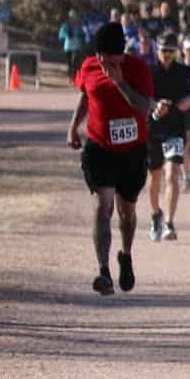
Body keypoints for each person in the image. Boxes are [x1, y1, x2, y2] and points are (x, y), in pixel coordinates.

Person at [67, 21, 155, 295]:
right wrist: (73, 127)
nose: (104, 61)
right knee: (101, 208)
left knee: (126, 213)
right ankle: (103, 272)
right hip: (99, 147)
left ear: (122, 53)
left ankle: (125, 256)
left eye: (110, 56)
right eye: (101, 55)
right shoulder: (90, 66)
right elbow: (85, 96)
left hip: (132, 152)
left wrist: (120, 83)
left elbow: (145, 108)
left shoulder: (138, 69)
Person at [145, 36, 190, 242]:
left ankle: (169, 222)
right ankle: (155, 213)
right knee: (155, 177)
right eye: (163, 50)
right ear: (157, 51)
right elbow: (142, 98)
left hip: (175, 130)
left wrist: (184, 103)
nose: (167, 55)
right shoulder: (149, 71)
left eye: (171, 51)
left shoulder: (183, 71)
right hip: (153, 129)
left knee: (172, 174)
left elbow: (188, 96)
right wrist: (155, 106)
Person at [58, 10, 90, 79]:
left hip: (76, 47)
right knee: (69, 63)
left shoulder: (79, 26)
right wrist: (66, 35)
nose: (73, 18)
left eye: (74, 17)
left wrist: (80, 35)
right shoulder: (65, 25)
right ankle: (70, 76)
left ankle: (74, 76)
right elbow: (60, 35)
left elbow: (83, 34)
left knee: (74, 62)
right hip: (68, 46)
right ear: (69, 17)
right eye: (71, 17)